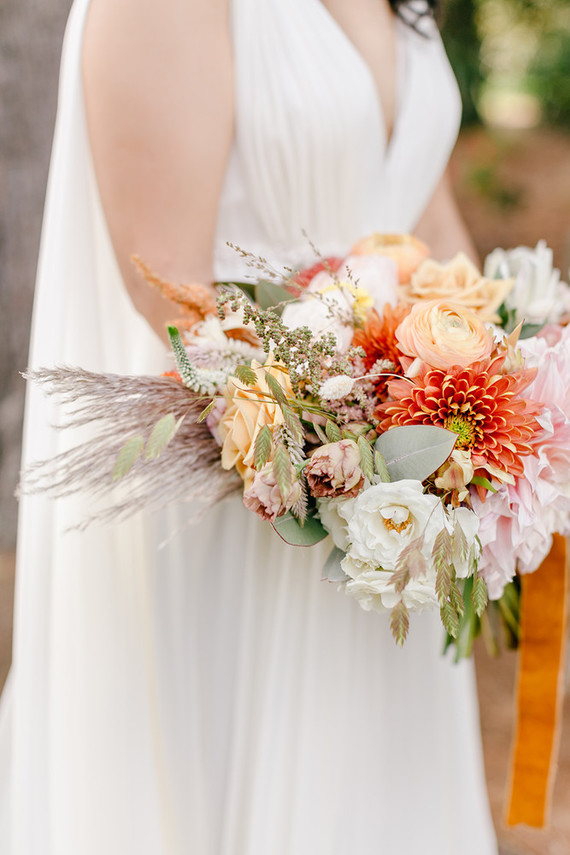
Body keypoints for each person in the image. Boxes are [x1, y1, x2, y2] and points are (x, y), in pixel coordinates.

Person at [0, 0, 498, 852]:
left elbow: (425, 217)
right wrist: (379, 391)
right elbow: (170, 288)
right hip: (250, 494)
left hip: (392, 522)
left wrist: (507, 384)